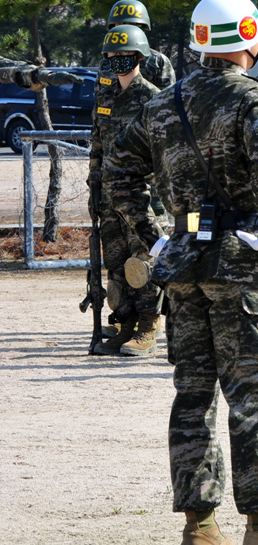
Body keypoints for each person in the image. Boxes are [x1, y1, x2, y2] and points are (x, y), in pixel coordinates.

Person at [105, 0, 258, 545]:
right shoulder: (255, 99)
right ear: (250, 38)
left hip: (183, 266)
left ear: (201, 39)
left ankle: (200, 526)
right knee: (256, 394)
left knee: (193, 394)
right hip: (242, 269)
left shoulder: (164, 103)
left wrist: (156, 237)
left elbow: (118, 171)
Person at [89, 25, 164, 356]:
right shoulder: (105, 97)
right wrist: (94, 184)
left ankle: (148, 327)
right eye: (114, 56)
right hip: (108, 199)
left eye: (126, 55)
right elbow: (97, 144)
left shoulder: (153, 98)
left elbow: (164, 154)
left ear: (140, 57)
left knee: (142, 260)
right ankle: (125, 325)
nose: (120, 61)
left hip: (139, 198)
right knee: (117, 263)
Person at [103, 0, 176, 89]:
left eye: (131, 24)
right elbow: (100, 97)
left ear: (141, 26)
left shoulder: (158, 61)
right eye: (120, 24)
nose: (126, 28)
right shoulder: (106, 62)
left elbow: (167, 98)